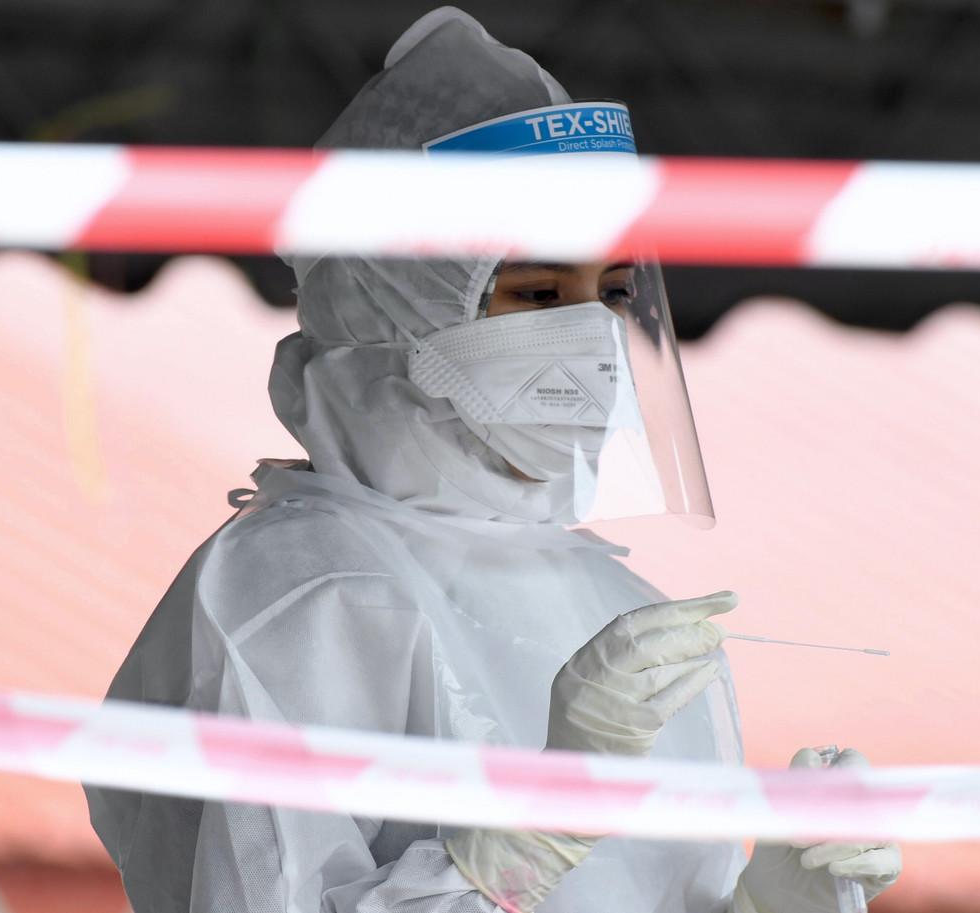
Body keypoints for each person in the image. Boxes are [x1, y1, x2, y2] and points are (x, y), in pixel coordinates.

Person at [83, 8, 901, 913]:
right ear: (389, 308)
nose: (591, 336)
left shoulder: (626, 616)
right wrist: (525, 836)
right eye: (541, 293)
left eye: (615, 293)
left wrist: (770, 899)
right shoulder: (304, 588)